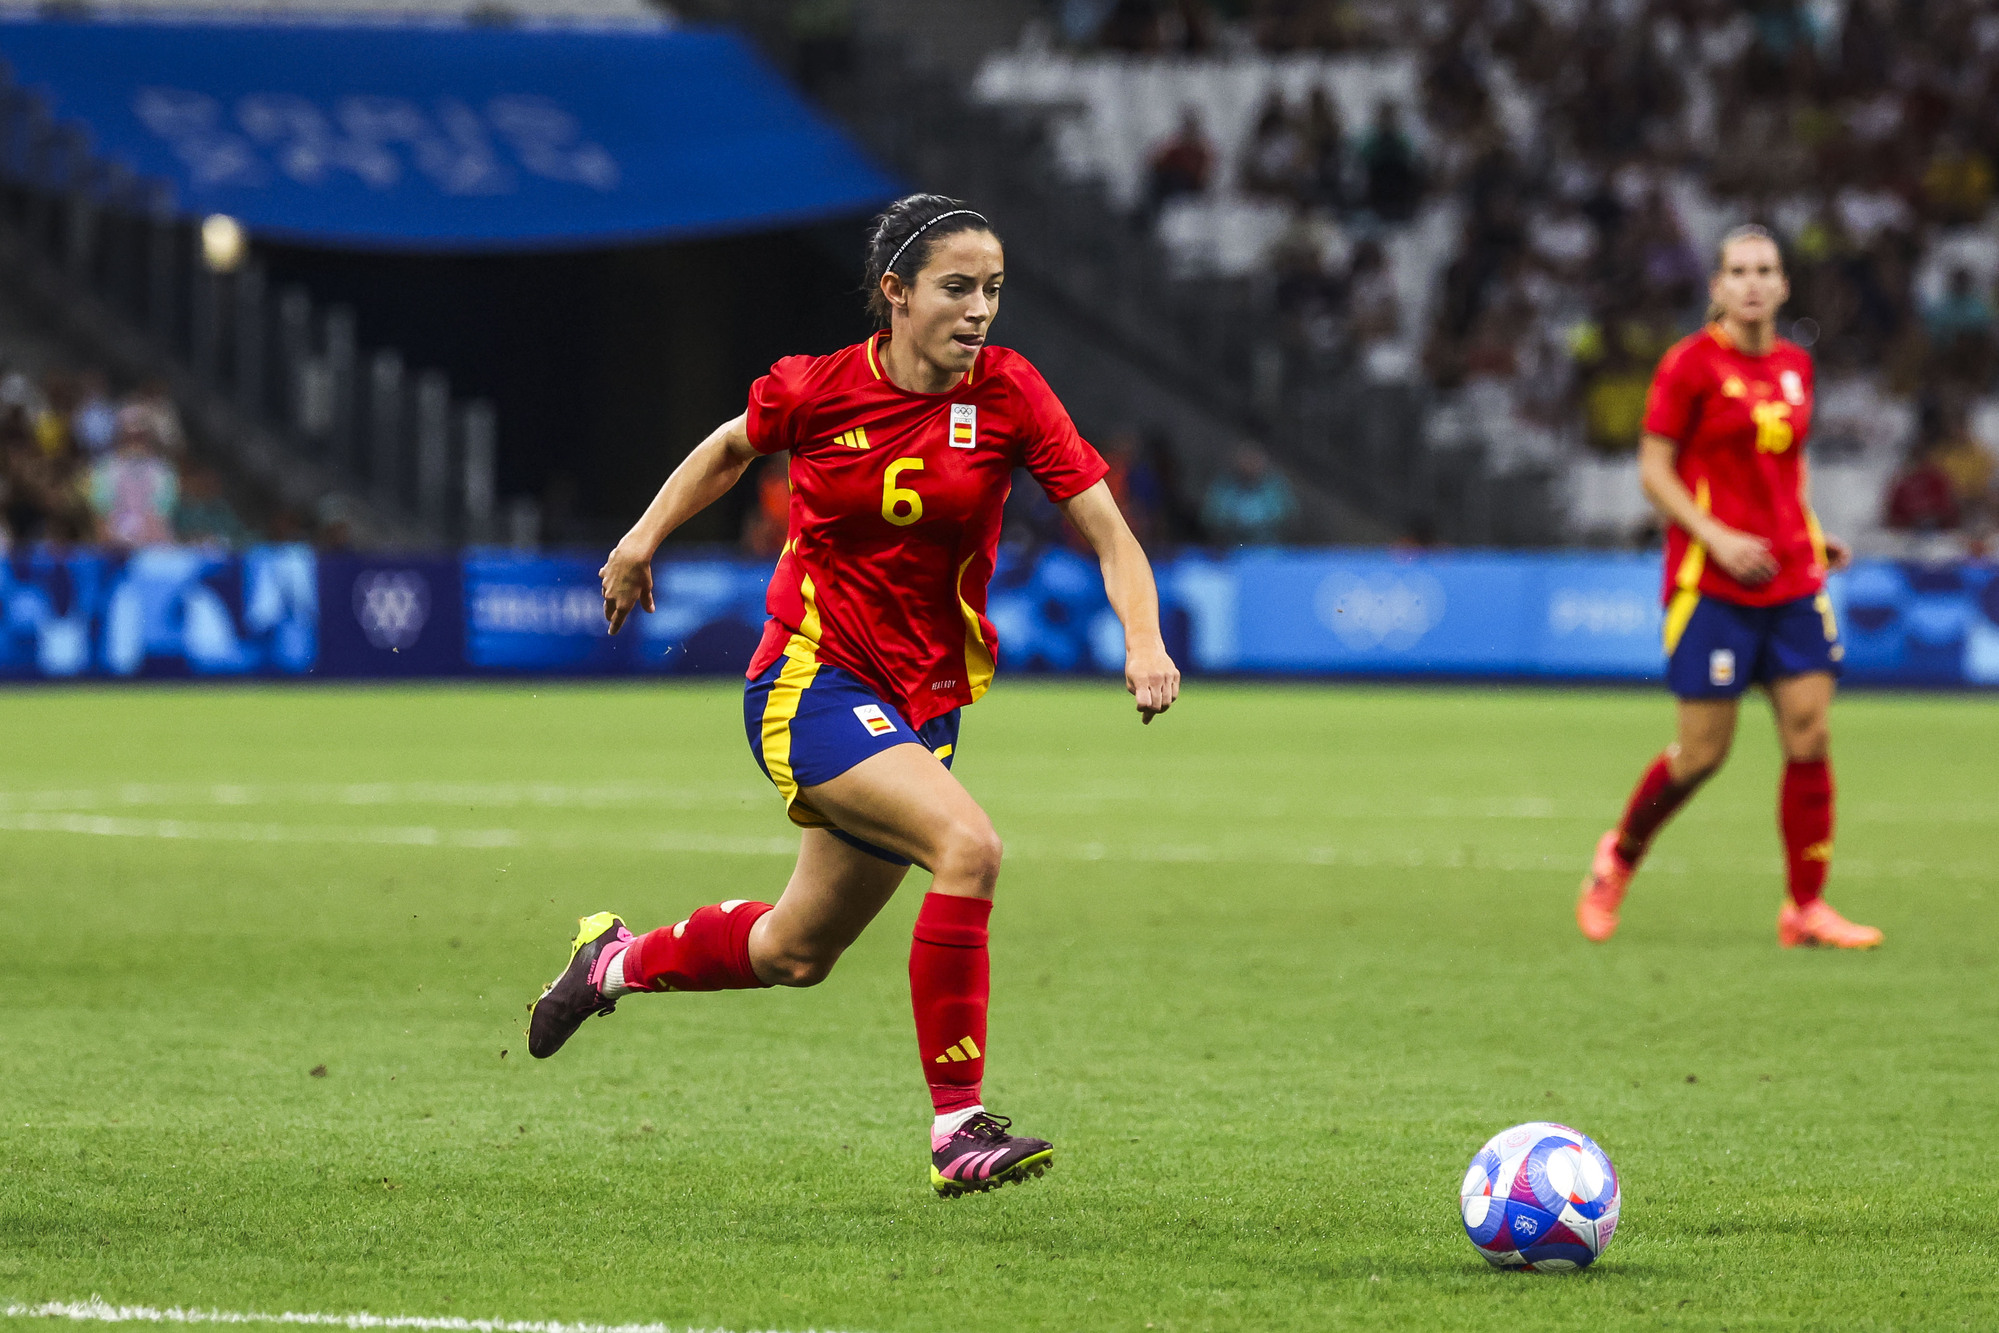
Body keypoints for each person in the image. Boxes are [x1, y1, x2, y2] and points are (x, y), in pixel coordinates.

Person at [526, 194, 1181, 1198]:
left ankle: (611, 962)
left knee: (797, 950)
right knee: (971, 849)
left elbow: (1106, 528)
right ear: (895, 293)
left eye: (993, 291)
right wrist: (639, 539)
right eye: (955, 288)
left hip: (924, 705)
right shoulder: (819, 389)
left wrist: (1143, 638)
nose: (978, 312)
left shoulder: (1008, 394)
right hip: (813, 682)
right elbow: (727, 448)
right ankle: (959, 1129)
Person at [1576, 225, 1881, 950]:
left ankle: (1804, 907)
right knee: (1701, 754)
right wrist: (1713, 537)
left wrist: (1807, 532)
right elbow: (1654, 470)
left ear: (1781, 286)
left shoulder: (1795, 367)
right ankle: (1617, 857)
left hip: (1791, 577)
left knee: (1809, 732)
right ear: (1715, 286)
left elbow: (1782, 473)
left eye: (1764, 270)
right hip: (1709, 582)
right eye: (1736, 270)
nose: (1750, 282)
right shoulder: (1687, 367)